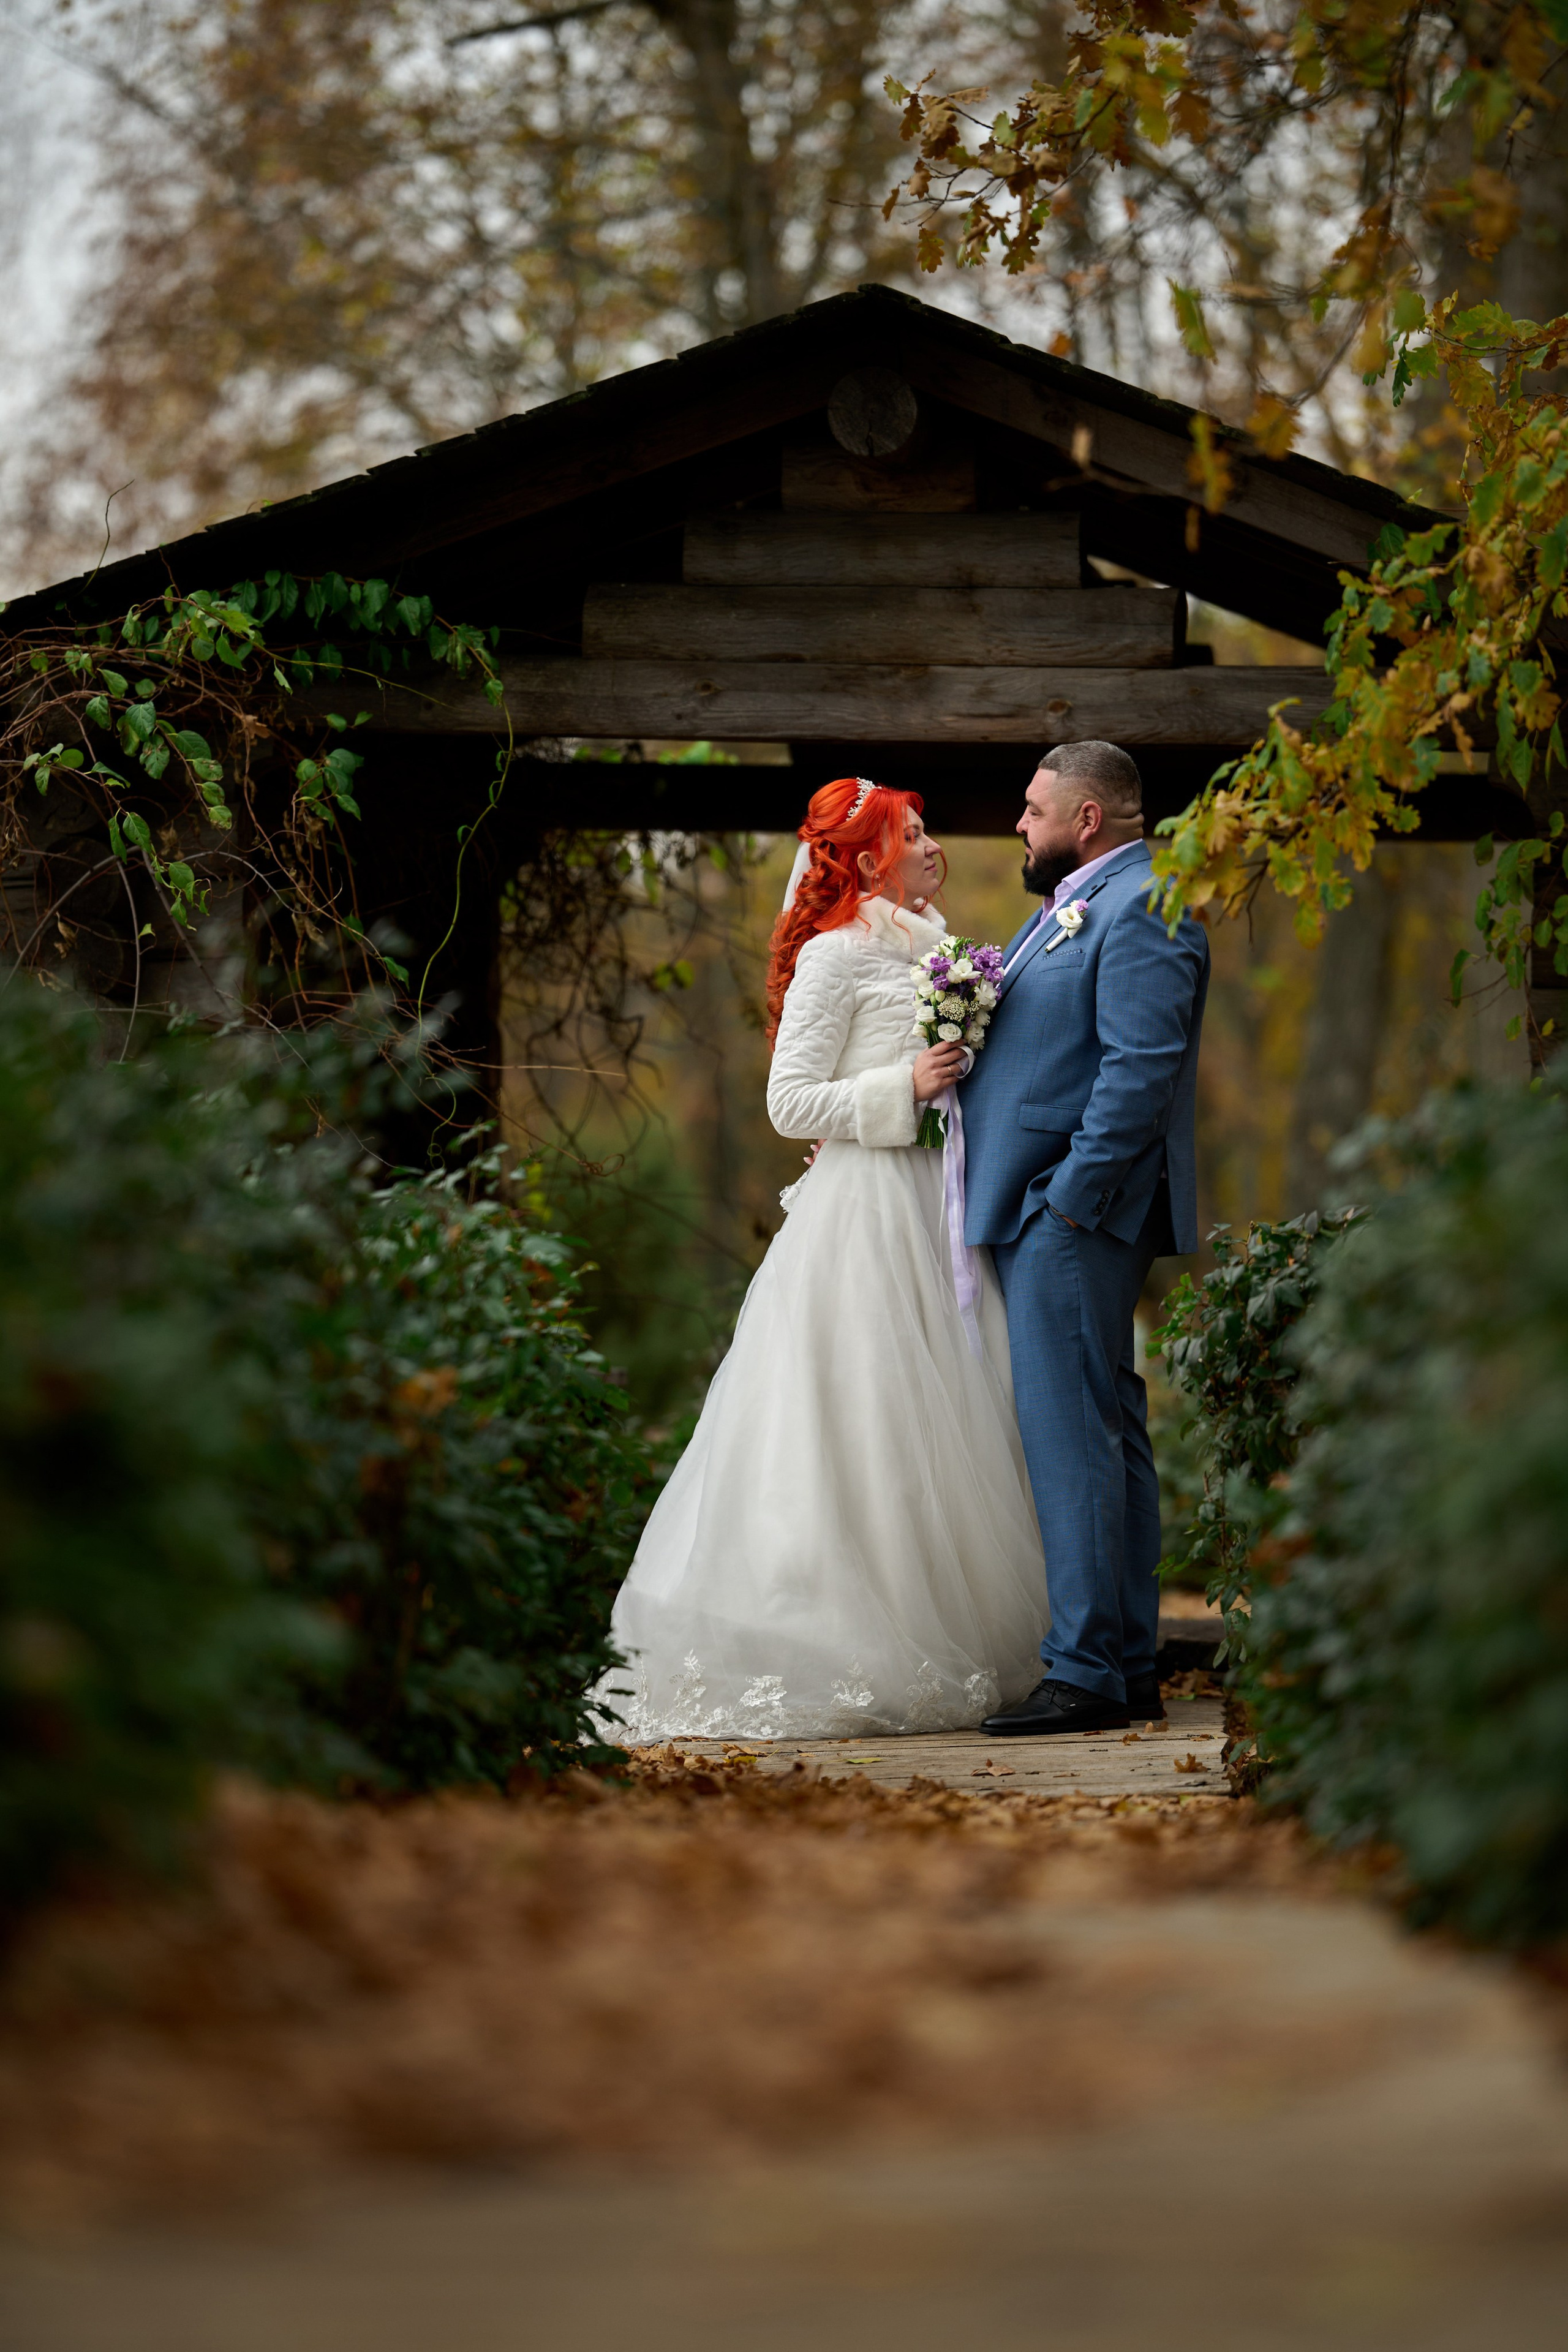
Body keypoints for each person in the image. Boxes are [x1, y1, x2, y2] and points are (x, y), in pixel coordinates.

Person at [594, 776, 1047, 1743]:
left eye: (928, 830)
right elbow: (789, 1103)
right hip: (865, 1214)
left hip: (942, 1207)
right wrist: (905, 1084)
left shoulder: (941, 949)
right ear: (869, 858)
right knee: (862, 1416)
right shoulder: (832, 960)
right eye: (914, 834)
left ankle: (954, 1627)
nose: (934, 847)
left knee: (953, 1417)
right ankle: (833, 1637)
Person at [960, 740, 1210, 1735]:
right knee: (1106, 1431)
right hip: (1052, 1208)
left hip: (1070, 1213)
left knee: (1071, 1438)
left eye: (1033, 809)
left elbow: (1141, 1067)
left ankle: (1085, 1674)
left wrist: (1069, 1198)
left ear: (1087, 818)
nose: (1020, 823)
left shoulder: (1146, 905)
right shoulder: (1080, 904)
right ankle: (1128, 1661)